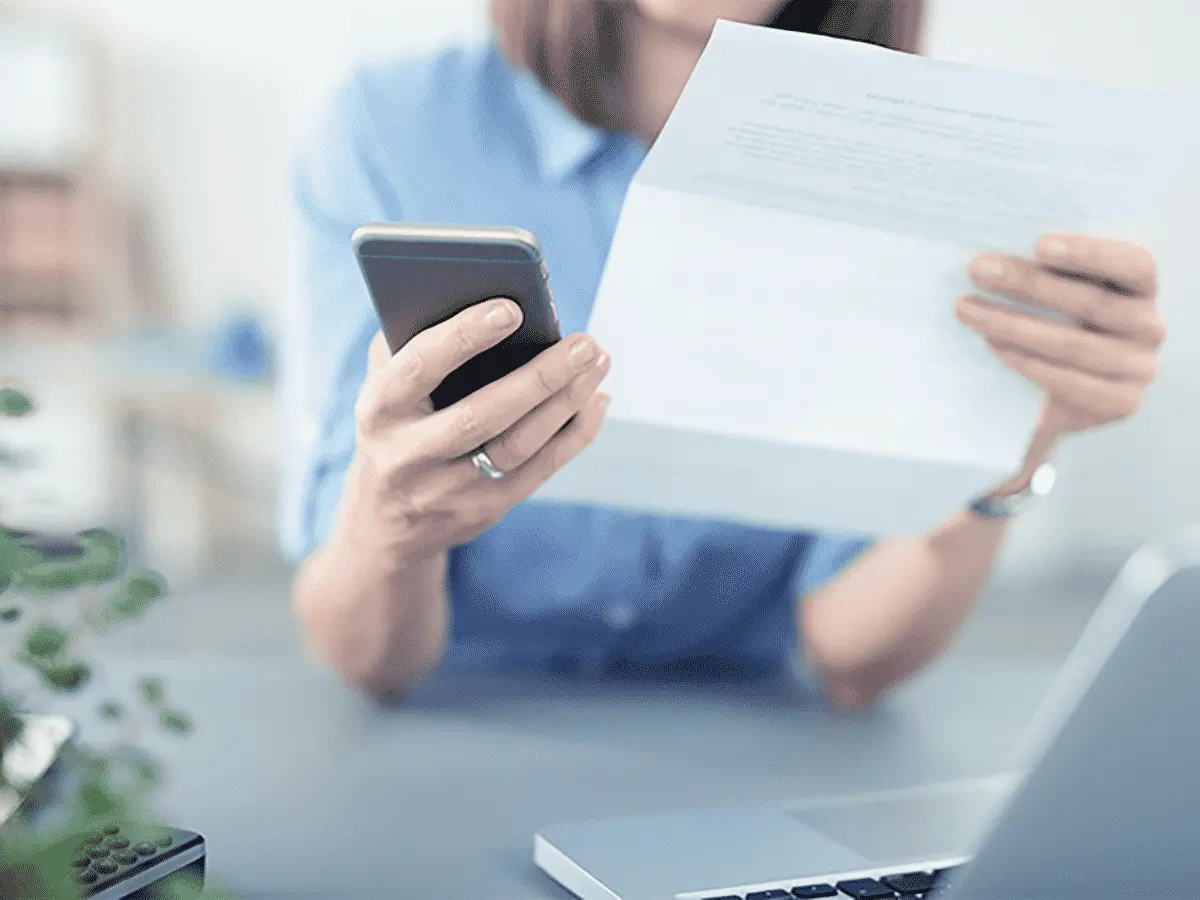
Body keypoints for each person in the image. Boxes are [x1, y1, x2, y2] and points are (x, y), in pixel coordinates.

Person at [281, 0, 1166, 709]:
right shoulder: (388, 134)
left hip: (752, 745)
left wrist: (1016, 433)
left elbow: (851, 652)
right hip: (450, 733)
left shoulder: (911, 166)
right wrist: (388, 523)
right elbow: (362, 654)